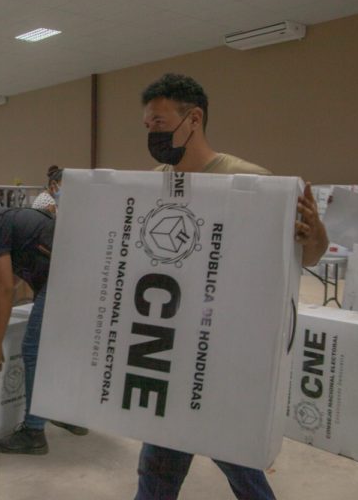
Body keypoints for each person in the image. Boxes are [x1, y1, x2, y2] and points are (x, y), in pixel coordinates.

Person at [140, 73, 328, 500]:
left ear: (194, 119)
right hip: (167, 346)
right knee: (157, 470)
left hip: (223, 353)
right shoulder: (154, 182)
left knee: (235, 460)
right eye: (147, 125)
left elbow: (310, 256)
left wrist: (313, 231)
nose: (151, 133)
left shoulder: (250, 181)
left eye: (159, 122)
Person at [0, 188, 88, 455]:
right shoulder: (7, 219)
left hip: (63, 281)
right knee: (59, 349)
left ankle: (33, 432)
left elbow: (5, 290)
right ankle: (68, 413)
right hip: (81, 277)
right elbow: (14, 276)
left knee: (32, 348)